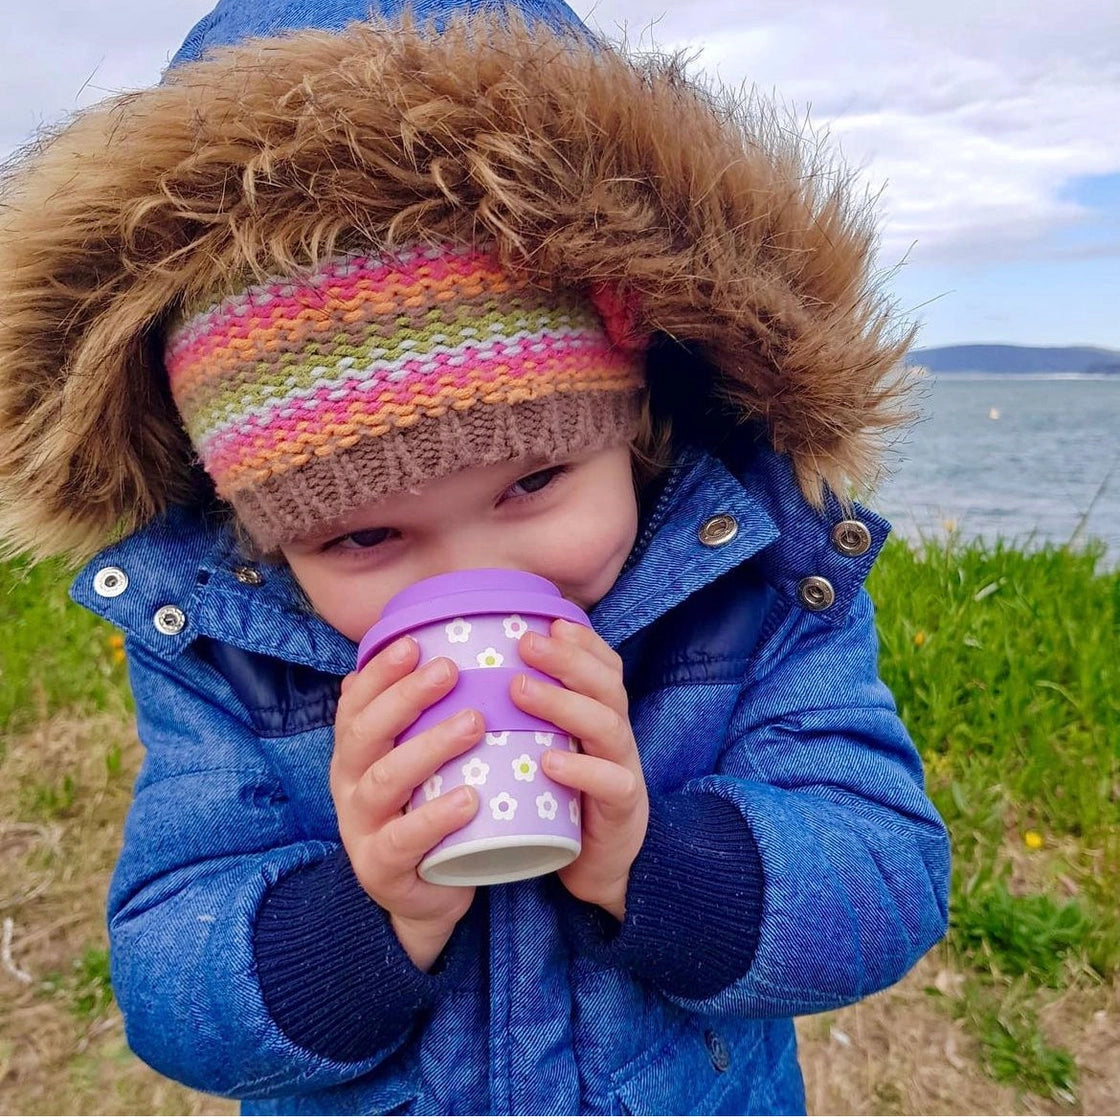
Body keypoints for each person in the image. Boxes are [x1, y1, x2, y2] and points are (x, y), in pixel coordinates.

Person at [0, 0, 950, 1113]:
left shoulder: (756, 585)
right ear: (255, 529)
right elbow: (170, 984)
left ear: (634, 416)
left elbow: (887, 878)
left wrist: (649, 866)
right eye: (364, 535)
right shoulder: (227, 648)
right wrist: (371, 918)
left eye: (531, 484)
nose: (467, 582)